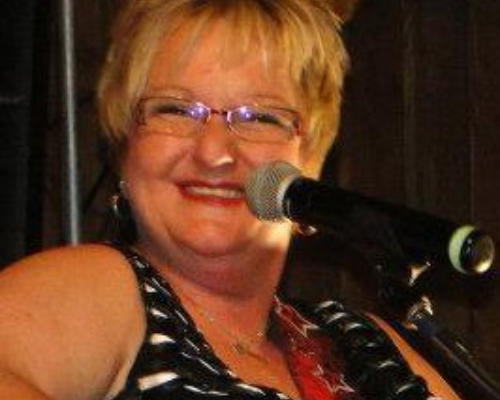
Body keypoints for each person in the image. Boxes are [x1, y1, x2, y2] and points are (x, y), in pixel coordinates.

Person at [0, 1, 461, 399]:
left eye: (258, 117)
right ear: (125, 148)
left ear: (310, 161)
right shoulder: (104, 289)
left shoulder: (366, 347)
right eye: (176, 110)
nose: (214, 152)